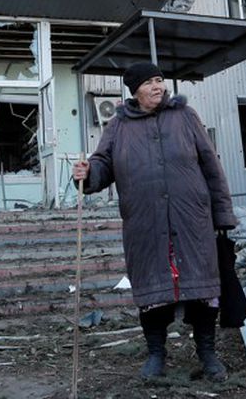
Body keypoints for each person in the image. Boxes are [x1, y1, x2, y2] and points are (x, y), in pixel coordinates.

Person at [73, 62, 237, 381]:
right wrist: (88, 173)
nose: (158, 87)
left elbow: (211, 165)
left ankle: (207, 354)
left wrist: (223, 215)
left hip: (192, 221)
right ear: (135, 90)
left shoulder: (185, 117)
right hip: (145, 224)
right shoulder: (118, 126)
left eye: (160, 80)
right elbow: (102, 163)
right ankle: (156, 355)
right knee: (152, 291)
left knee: (203, 289)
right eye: (149, 83)